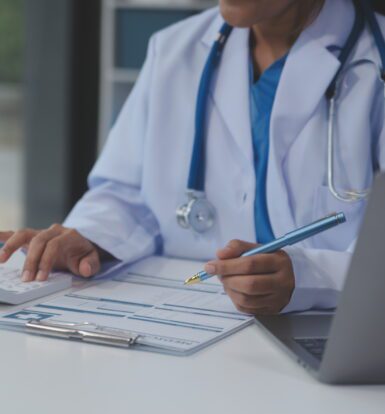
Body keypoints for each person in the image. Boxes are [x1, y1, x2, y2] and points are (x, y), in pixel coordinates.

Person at [1, 0, 384, 315]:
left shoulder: (374, 60)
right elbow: (125, 193)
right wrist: (90, 238)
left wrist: (311, 277)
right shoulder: (173, 50)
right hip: (188, 324)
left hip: (333, 331)